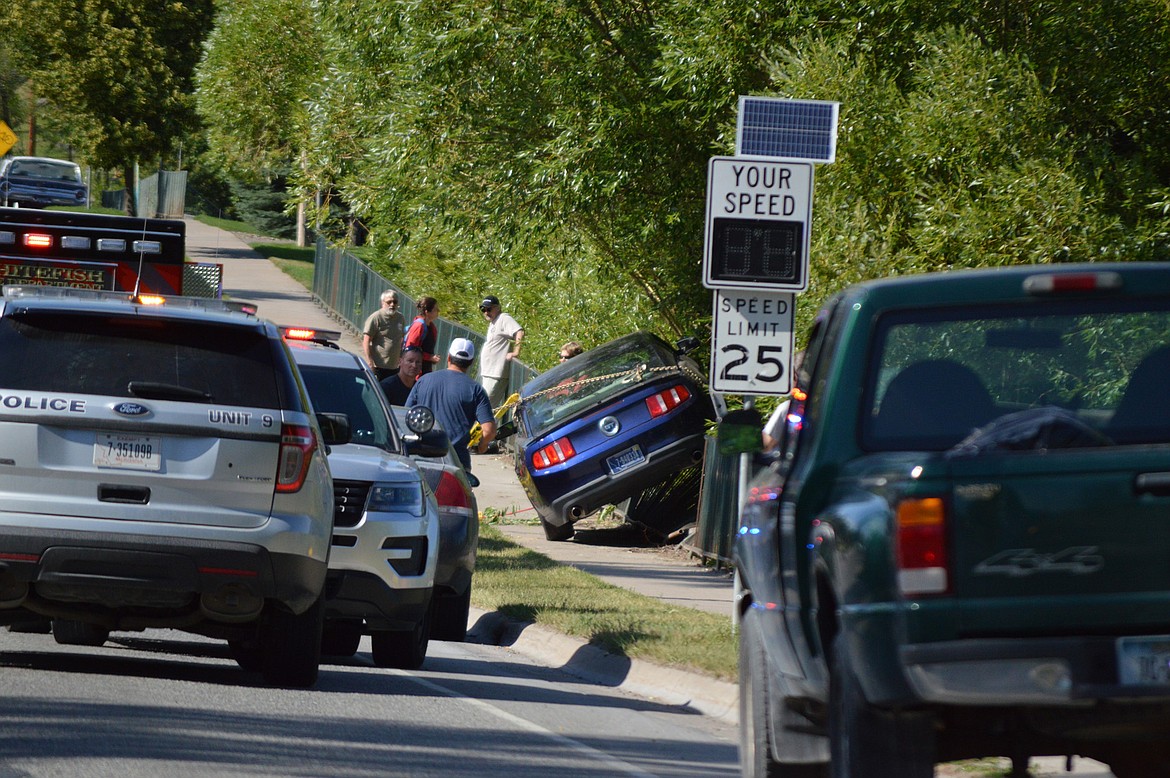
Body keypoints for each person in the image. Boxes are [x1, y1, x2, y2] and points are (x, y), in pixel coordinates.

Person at [406, 338, 496, 472]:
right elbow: (488, 430)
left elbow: (405, 414)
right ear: (471, 362)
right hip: (456, 462)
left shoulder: (424, 380)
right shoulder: (475, 389)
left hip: (420, 457)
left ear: (448, 357)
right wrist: (482, 446)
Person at [478, 295, 524, 408]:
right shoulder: (494, 322)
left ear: (498, 308)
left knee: (486, 408)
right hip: (488, 372)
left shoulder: (504, 318)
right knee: (483, 406)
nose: (486, 312)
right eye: (483, 309)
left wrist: (516, 352)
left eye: (489, 309)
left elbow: (519, 332)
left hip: (496, 374)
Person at [362, 289, 405, 381]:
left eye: (395, 302)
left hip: (395, 367)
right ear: (382, 303)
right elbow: (366, 341)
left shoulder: (400, 318)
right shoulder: (376, 317)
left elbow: (401, 339)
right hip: (379, 367)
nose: (392, 305)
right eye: (389, 302)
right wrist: (370, 363)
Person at [403, 296, 441, 373]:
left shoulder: (431, 327)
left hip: (425, 369)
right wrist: (429, 357)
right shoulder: (419, 326)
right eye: (435, 309)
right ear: (427, 312)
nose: (438, 311)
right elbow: (411, 349)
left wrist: (432, 358)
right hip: (415, 371)